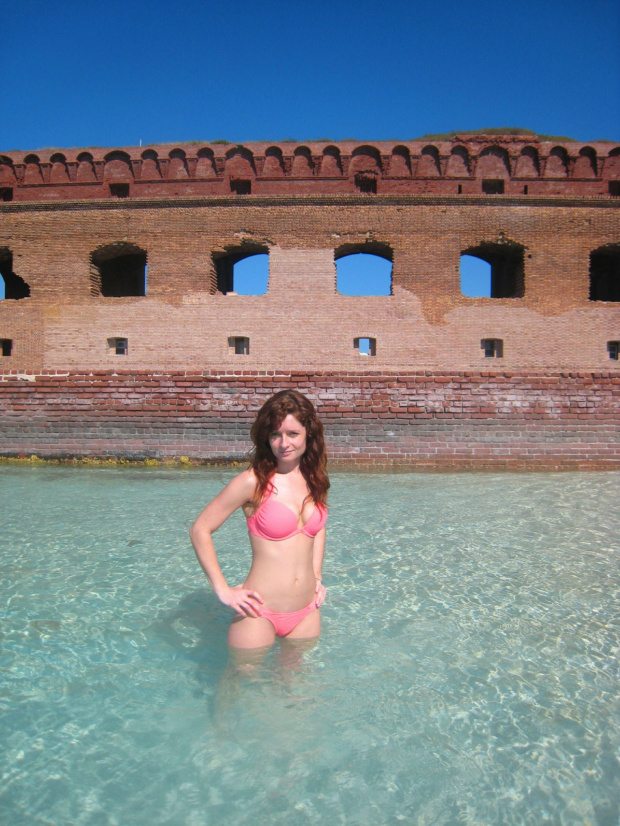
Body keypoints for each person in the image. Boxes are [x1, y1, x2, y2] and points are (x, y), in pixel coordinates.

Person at [190, 390, 329, 650]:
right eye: (275, 434)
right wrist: (222, 590)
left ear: (309, 434)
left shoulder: (315, 479)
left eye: (292, 434)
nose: (283, 443)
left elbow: (317, 529)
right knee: (237, 687)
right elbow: (200, 529)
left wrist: (317, 577)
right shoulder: (252, 482)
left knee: (296, 689)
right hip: (258, 611)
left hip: (307, 610)